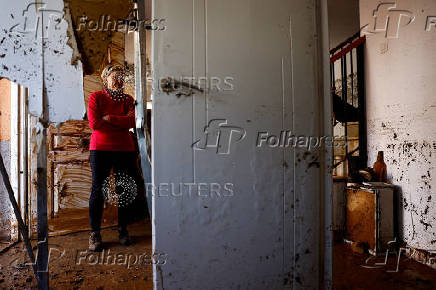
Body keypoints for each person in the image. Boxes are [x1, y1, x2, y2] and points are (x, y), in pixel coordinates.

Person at [87, 64, 137, 251]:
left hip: (125, 149)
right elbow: (95, 124)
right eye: (114, 76)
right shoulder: (96, 97)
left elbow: (132, 121)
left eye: (121, 77)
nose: (118, 80)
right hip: (100, 149)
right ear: (105, 79)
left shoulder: (128, 99)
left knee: (124, 189)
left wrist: (110, 118)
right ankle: (95, 234)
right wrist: (120, 122)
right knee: (97, 190)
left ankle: (123, 230)